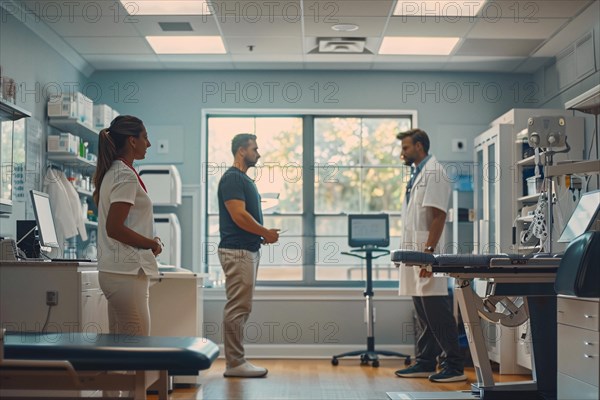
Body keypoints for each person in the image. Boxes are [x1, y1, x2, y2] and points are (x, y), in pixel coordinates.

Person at [394, 128, 466, 383]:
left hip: (426, 253)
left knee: (436, 310)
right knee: (422, 311)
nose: (402, 152)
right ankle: (425, 361)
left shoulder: (435, 173)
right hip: (415, 253)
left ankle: (455, 366)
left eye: (405, 147)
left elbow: (438, 216)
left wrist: (428, 254)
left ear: (419, 147)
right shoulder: (418, 174)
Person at [93, 115, 163, 336]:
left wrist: (150, 240)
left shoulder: (115, 172)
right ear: (132, 141)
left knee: (120, 347)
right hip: (126, 273)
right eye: (145, 137)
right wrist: (150, 243)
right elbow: (114, 228)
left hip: (116, 272)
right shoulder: (124, 175)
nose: (148, 144)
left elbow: (124, 223)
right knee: (140, 345)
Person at [218, 133, 280, 378]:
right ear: (241, 151)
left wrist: (259, 236)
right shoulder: (233, 178)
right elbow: (239, 216)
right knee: (237, 307)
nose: (259, 153)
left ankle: (236, 361)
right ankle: (235, 363)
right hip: (238, 252)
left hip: (246, 249)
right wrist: (264, 231)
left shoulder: (242, 179)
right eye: (255, 148)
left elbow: (244, 219)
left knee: (242, 307)